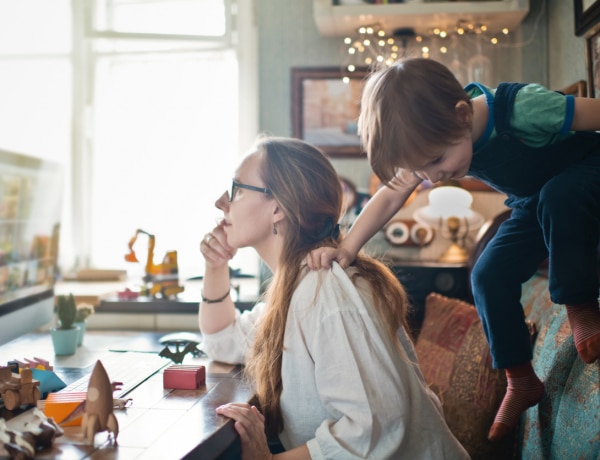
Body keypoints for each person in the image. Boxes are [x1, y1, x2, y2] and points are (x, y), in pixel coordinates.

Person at [307, 57, 600, 442]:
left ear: (463, 115)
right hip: (534, 201)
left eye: (435, 163)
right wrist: (346, 247)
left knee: (556, 195)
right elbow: (390, 195)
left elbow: (592, 114)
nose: (430, 178)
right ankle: (520, 379)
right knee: (486, 275)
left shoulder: (520, 108)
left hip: (584, 172)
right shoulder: (435, 137)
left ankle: (580, 308)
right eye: (421, 171)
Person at [199, 136, 470, 459]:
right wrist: (215, 265)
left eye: (237, 189)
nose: (221, 202)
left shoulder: (325, 292)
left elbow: (374, 425)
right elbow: (221, 341)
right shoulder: (297, 286)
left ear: (278, 208)